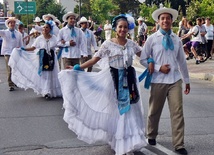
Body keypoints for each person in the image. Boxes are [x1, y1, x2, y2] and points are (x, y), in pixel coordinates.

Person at [58, 14, 154, 155]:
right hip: (113, 81)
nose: (122, 29)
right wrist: (78, 68)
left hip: (130, 81)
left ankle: (129, 142)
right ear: (115, 28)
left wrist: (151, 61)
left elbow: (143, 55)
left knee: (130, 110)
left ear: (128, 29)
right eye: (120, 27)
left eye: (125, 27)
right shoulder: (108, 44)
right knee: (117, 111)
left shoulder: (131, 44)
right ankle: (119, 141)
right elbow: (94, 60)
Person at [140, 7, 190, 155]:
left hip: (175, 80)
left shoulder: (176, 39)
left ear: (172, 21)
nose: (165, 21)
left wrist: (186, 80)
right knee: (154, 111)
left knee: (177, 112)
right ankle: (151, 134)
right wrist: (157, 67)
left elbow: (182, 61)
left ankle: (179, 144)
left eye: (168, 18)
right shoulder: (152, 39)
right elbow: (143, 59)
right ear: (158, 21)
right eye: (162, 18)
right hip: (158, 80)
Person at [8, 22, 62, 99]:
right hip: (42, 59)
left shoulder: (54, 38)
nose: (45, 29)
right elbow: (33, 48)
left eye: (47, 27)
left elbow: (59, 45)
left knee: (51, 74)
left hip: (51, 59)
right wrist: (22, 49)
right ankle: (46, 91)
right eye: (44, 27)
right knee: (45, 75)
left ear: (50, 29)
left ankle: (51, 90)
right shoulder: (39, 38)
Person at [0, 17, 23, 91]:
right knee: (9, 68)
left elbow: (21, 44)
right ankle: (10, 84)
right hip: (7, 52)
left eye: (13, 23)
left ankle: (15, 81)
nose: (12, 24)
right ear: (8, 24)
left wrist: (21, 51)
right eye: (11, 23)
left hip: (15, 52)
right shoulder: (5, 32)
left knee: (15, 68)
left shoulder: (18, 34)